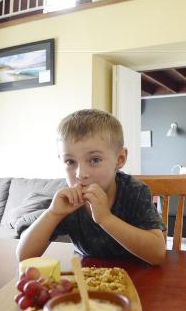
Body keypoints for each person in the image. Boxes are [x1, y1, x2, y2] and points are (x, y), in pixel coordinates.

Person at [17, 109, 166, 265]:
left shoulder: (135, 191)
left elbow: (157, 254)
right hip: (87, 278)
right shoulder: (67, 199)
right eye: (70, 162)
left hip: (137, 278)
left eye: (94, 160)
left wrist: (106, 219)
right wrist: (53, 213)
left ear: (120, 159)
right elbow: (25, 256)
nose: (80, 174)